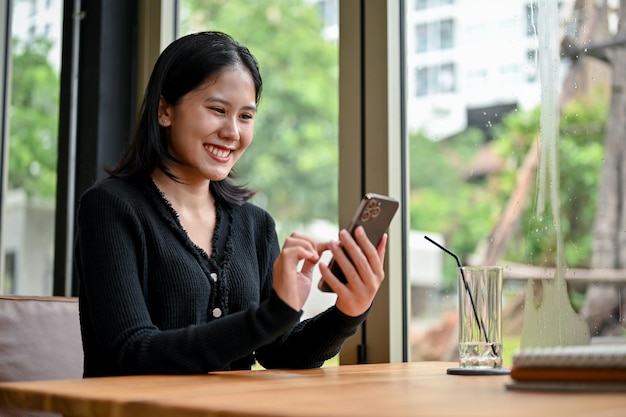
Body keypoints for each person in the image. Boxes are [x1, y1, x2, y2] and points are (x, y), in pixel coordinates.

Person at [74, 31, 388, 377]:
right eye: (218, 110)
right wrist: (274, 312)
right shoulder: (109, 207)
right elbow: (131, 352)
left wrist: (348, 311)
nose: (232, 132)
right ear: (165, 110)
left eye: (245, 116)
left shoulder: (256, 225)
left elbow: (279, 351)